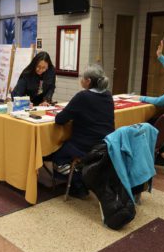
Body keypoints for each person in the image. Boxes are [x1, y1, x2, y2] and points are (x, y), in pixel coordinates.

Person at [48, 64, 115, 198]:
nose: (81, 80)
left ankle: (78, 183)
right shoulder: (108, 95)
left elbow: (60, 119)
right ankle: (82, 177)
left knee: (55, 154)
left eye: (82, 78)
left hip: (85, 145)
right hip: (105, 144)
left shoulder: (83, 96)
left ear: (88, 81)